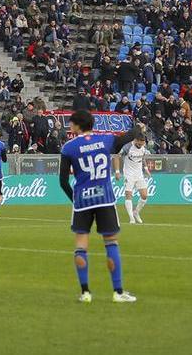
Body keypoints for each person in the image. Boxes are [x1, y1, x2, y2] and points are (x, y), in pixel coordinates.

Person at [59, 110, 139, 303]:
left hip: (82, 201)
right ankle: (118, 293)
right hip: (105, 198)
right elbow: (130, 135)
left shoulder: (69, 147)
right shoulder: (106, 140)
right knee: (111, 242)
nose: (70, 127)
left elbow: (62, 181)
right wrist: (137, 126)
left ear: (78, 125)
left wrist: (75, 199)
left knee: (81, 246)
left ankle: (85, 293)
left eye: (71, 124)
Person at [114, 135, 151, 224]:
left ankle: (136, 212)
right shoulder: (127, 147)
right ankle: (131, 218)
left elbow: (142, 158)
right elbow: (116, 157)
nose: (141, 144)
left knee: (144, 195)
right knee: (128, 195)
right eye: (140, 142)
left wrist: (146, 169)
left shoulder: (142, 147)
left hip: (139, 174)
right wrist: (117, 171)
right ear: (136, 140)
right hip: (129, 174)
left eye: (143, 143)